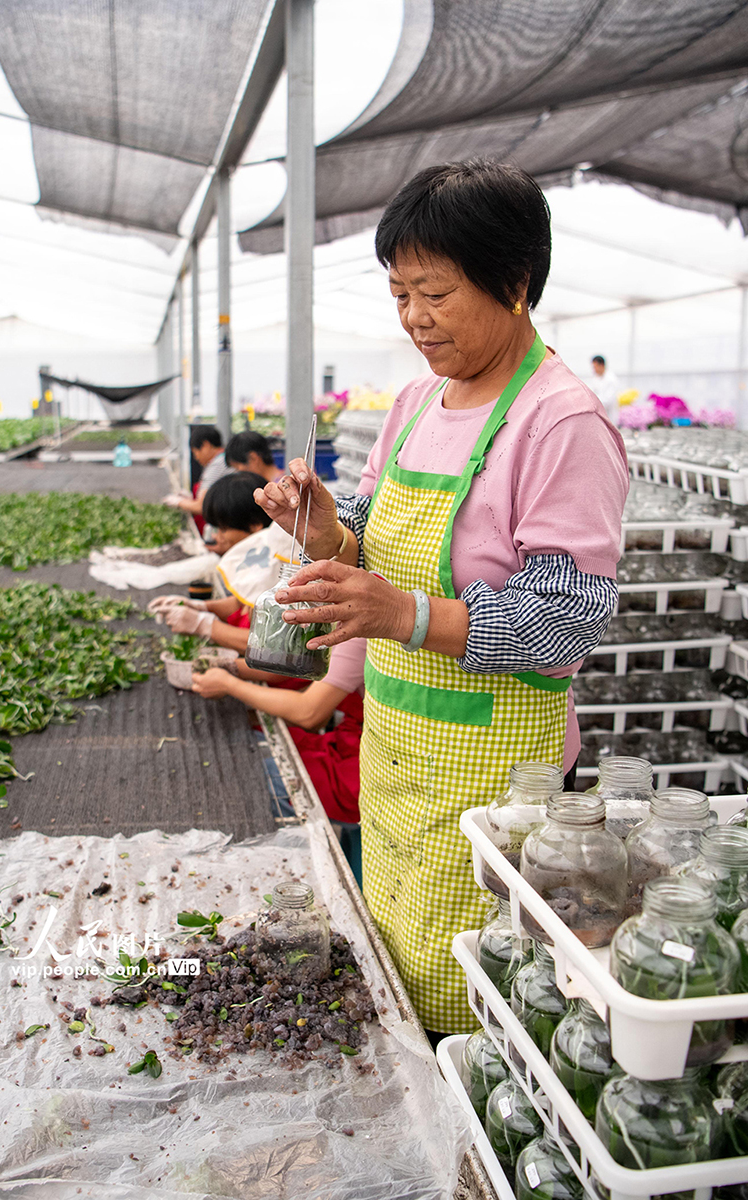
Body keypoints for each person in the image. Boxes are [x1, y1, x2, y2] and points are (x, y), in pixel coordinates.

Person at [253, 158, 629, 1039]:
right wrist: (321, 532)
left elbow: (568, 612)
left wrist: (406, 616)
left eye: (435, 292)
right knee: (397, 957)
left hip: (506, 771)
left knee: (485, 994)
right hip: (401, 751)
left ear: (514, 282)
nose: (415, 319)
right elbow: (374, 529)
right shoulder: (418, 401)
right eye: (399, 296)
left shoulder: (560, 421)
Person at [191, 638, 366, 829]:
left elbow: (310, 714)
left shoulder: (359, 639)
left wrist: (229, 684)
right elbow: (296, 667)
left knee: (243, 780)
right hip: (349, 741)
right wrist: (227, 669)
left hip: (361, 770)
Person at [150, 471, 290, 654]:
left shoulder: (282, 569)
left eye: (223, 528)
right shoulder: (259, 567)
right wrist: (200, 607)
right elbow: (239, 602)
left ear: (255, 525)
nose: (217, 536)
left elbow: (272, 647)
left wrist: (203, 624)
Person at [162, 426, 227, 527]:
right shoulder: (223, 460)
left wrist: (179, 502)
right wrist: (190, 499)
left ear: (206, 445)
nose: (196, 457)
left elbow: (202, 506)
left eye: (195, 452)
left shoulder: (217, 465)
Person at [589, 355, 621, 424]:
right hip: (598, 415)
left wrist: (593, 403)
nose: (594, 369)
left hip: (609, 415)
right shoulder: (595, 378)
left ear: (602, 365)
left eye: (595, 367)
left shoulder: (611, 379)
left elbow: (608, 400)